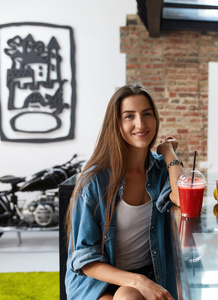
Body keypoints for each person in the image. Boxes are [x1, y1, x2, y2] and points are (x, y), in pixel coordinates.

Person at [65, 83, 183, 300]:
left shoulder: (159, 171)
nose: (140, 123)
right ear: (117, 123)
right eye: (129, 116)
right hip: (97, 281)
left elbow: (184, 200)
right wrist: (139, 281)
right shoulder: (95, 181)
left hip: (149, 272)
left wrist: (168, 152)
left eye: (147, 114)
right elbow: (85, 260)